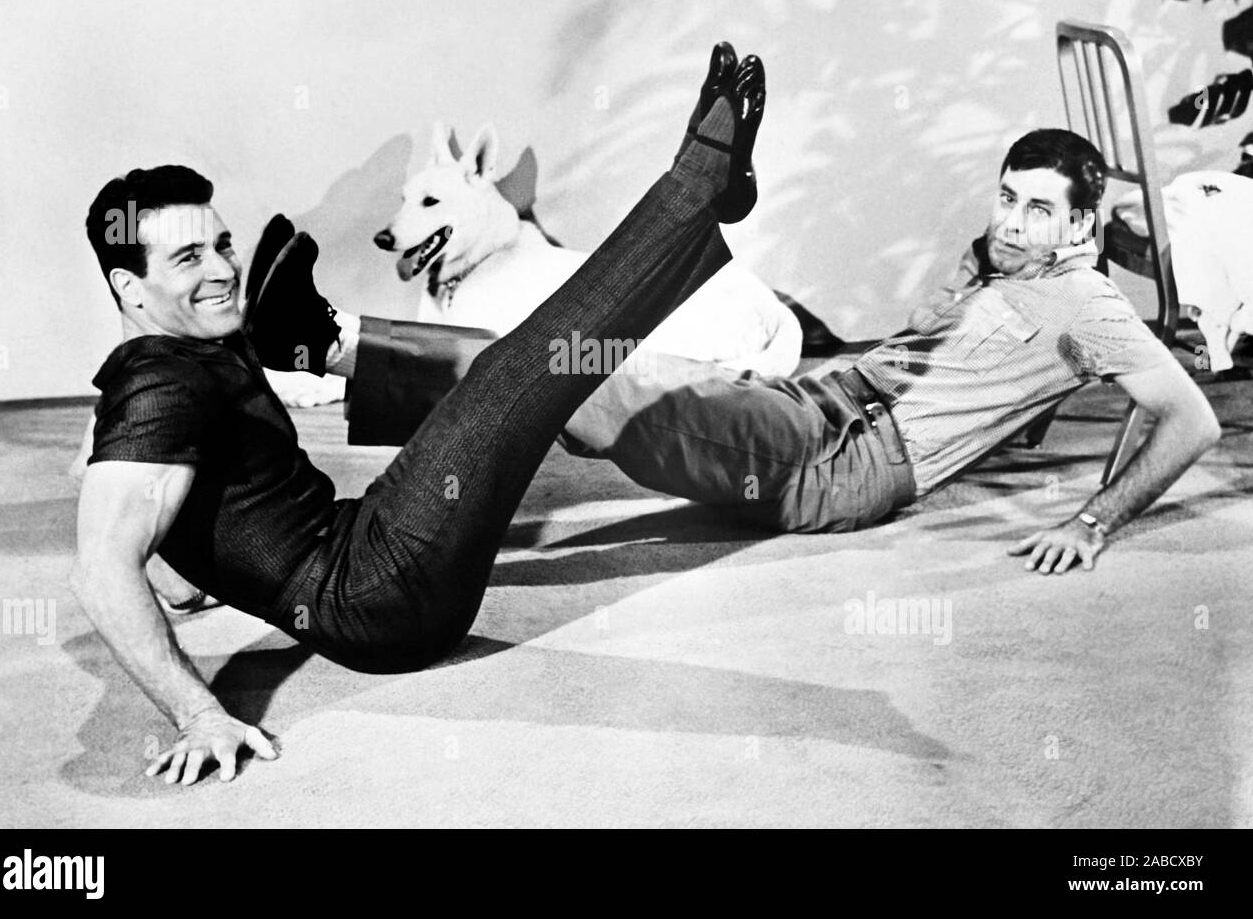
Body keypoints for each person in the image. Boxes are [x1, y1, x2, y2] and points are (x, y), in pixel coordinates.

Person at [71, 43, 764, 786]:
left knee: (484, 372)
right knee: (522, 369)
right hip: (375, 598)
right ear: (129, 286)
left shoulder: (165, 365)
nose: (220, 270)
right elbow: (102, 568)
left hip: (360, 545)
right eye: (188, 260)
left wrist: (183, 575)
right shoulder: (158, 390)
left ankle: (315, 338)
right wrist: (197, 713)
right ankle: (698, 188)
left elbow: (103, 469)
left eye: (221, 244)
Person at [554, 129, 1221, 572]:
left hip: (844, 459)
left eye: (1039, 210)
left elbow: (1195, 421)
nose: (1012, 223)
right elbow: (937, 349)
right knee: (596, 362)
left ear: (1080, 224)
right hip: (815, 401)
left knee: (571, 373)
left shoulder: (1088, 303)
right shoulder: (1002, 255)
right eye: (1007, 198)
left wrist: (1091, 524)